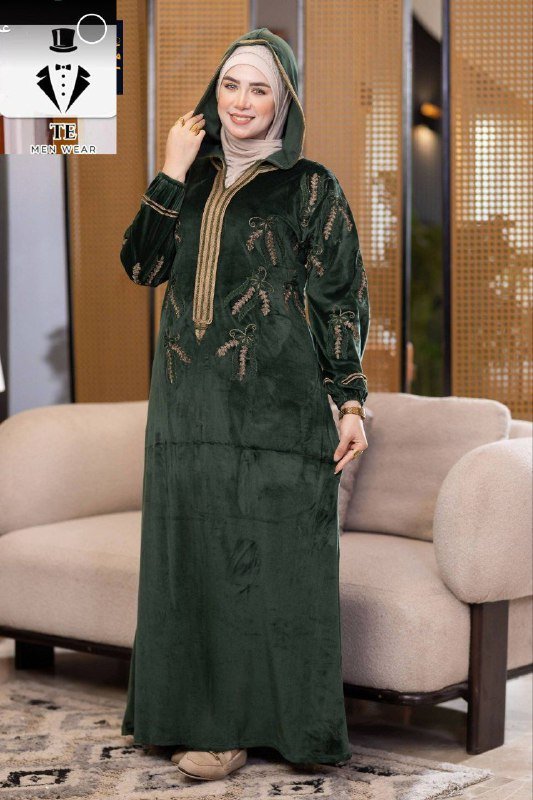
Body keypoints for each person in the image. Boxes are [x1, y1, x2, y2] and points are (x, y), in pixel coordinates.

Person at [119, 26, 370, 782]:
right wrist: (170, 170)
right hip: (186, 408)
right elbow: (141, 267)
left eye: (259, 88)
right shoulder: (189, 179)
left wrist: (350, 403)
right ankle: (196, 722)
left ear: (282, 103)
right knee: (193, 562)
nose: (241, 101)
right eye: (231, 84)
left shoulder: (310, 186)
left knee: (273, 567)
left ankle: (273, 730)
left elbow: (339, 299)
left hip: (275, 410)